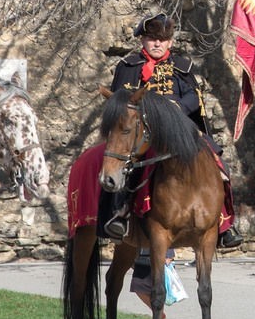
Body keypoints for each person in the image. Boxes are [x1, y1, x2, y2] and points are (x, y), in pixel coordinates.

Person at [104, 13, 242, 249]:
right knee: (125, 165)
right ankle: (121, 214)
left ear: (170, 42)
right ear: (142, 40)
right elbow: (117, 102)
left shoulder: (181, 67)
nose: (157, 43)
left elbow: (194, 97)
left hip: (181, 129)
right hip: (144, 133)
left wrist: (177, 107)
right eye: (151, 38)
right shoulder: (128, 67)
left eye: (163, 39)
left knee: (220, 165)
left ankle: (224, 223)